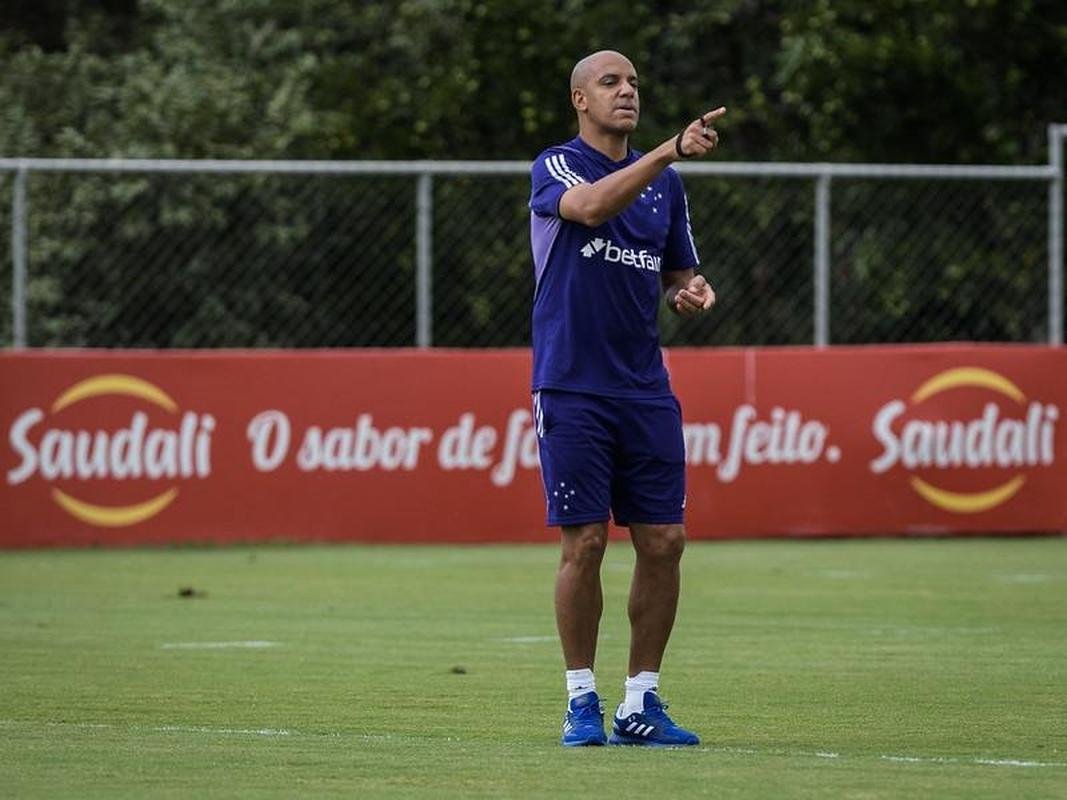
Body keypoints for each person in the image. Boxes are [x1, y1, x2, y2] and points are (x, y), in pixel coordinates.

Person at [528, 50, 722, 747]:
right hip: (571, 383)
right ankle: (581, 697)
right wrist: (669, 150)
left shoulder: (663, 189)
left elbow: (677, 274)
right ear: (580, 97)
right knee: (583, 543)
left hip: (643, 387)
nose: (627, 92)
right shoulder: (556, 165)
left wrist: (688, 292)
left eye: (634, 82)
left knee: (664, 540)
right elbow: (587, 206)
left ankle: (640, 702)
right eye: (611, 82)